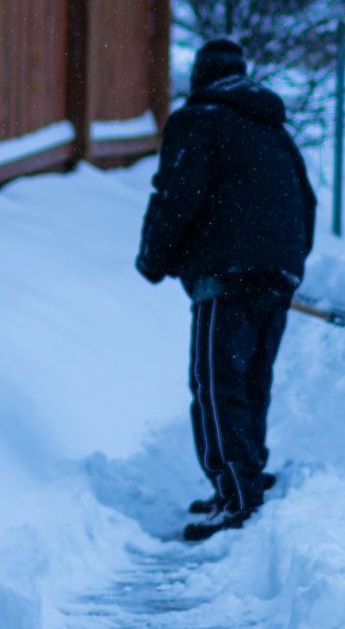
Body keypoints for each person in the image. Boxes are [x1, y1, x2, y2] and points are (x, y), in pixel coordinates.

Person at [135, 36, 317, 540]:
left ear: (199, 77)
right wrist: (287, 265)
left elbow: (176, 194)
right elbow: (308, 202)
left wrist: (154, 259)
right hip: (276, 275)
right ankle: (244, 480)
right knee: (252, 380)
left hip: (227, 274)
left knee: (216, 385)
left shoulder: (198, 120)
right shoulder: (274, 129)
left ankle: (237, 497)